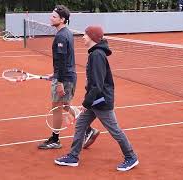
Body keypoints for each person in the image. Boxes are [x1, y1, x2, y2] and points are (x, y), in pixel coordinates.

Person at [54, 26, 139, 172]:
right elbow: (94, 83)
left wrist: (86, 103)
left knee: (115, 130)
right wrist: (88, 100)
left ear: (92, 37)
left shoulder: (97, 55)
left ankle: (131, 157)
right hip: (95, 99)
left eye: (85, 35)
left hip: (101, 101)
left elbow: (98, 85)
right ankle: (73, 156)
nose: (83, 37)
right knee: (81, 124)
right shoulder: (94, 53)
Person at [38, 5, 99, 150]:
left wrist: (58, 81)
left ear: (62, 19)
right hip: (67, 76)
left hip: (65, 79)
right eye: (51, 15)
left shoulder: (61, 36)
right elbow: (64, 60)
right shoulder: (67, 33)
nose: (50, 18)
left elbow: (62, 60)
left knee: (57, 108)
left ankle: (55, 139)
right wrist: (55, 74)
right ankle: (89, 130)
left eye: (54, 16)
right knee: (64, 106)